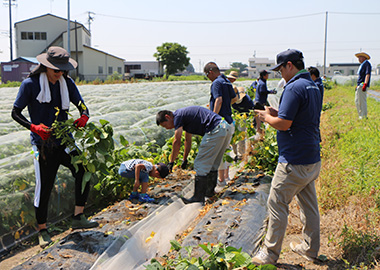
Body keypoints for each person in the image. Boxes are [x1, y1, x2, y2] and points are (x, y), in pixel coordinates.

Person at [11, 46, 99, 248]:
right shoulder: (30, 84)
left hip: (65, 141)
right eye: (56, 70)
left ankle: (78, 217)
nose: (60, 73)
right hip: (43, 145)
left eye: (63, 70)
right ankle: (42, 229)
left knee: (83, 170)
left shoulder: (66, 83)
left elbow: (82, 105)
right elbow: (15, 113)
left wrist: (84, 116)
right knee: (45, 186)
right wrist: (33, 127)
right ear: (46, 66)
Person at [252, 49, 322, 265]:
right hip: (311, 158)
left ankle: (269, 254)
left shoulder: (293, 87)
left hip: (294, 160)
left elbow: (284, 124)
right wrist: (277, 114)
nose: (280, 73)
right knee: (309, 204)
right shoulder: (313, 85)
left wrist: (266, 117)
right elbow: (298, 117)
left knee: (277, 202)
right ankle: (310, 249)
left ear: (289, 65)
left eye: (281, 69)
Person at [156, 106, 233, 204]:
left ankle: (198, 197)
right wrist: (185, 159)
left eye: (164, 125)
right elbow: (188, 140)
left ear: (168, 117)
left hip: (215, 130)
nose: (167, 128)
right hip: (224, 128)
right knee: (213, 163)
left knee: (199, 164)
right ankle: (209, 193)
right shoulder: (184, 118)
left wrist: (171, 162)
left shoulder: (178, 116)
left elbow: (177, 141)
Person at [204, 62, 237, 190]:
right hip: (229, 120)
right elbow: (234, 98)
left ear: (210, 72)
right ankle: (226, 176)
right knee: (225, 149)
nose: (208, 78)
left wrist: (213, 118)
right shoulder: (226, 81)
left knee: (218, 152)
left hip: (220, 122)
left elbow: (219, 100)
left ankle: (221, 181)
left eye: (207, 75)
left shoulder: (217, 82)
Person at [231, 86, 254, 161]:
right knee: (233, 135)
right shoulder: (231, 99)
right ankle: (235, 153)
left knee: (241, 135)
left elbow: (252, 111)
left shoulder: (247, 100)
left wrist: (250, 120)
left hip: (243, 118)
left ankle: (241, 155)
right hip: (234, 117)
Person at [254, 70, 276, 137]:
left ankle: (259, 134)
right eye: (267, 75)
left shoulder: (260, 82)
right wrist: (270, 92)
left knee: (258, 121)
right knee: (260, 121)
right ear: (264, 76)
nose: (268, 76)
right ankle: (260, 135)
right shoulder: (262, 83)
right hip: (260, 103)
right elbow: (262, 91)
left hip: (258, 102)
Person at [355, 52, 372, 119]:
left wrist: (365, 84)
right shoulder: (362, 65)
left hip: (362, 84)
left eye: (360, 57)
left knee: (362, 101)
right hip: (359, 84)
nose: (359, 59)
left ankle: (363, 116)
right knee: (357, 100)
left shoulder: (367, 64)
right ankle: (360, 115)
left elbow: (367, 74)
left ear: (364, 58)